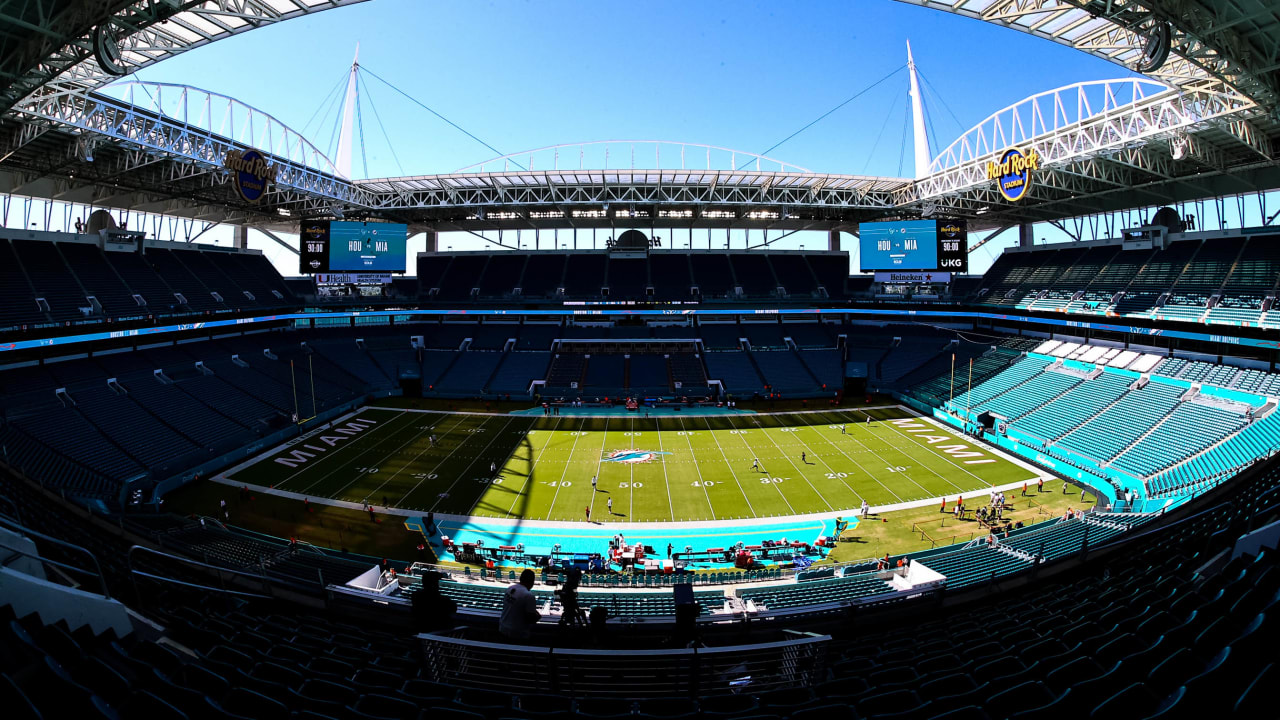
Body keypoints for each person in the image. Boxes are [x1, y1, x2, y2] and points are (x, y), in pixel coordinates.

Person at [499, 569, 541, 640]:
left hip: (502, 628)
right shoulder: (528, 596)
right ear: (532, 582)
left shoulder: (510, 588)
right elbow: (531, 619)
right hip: (517, 634)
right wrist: (538, 616)